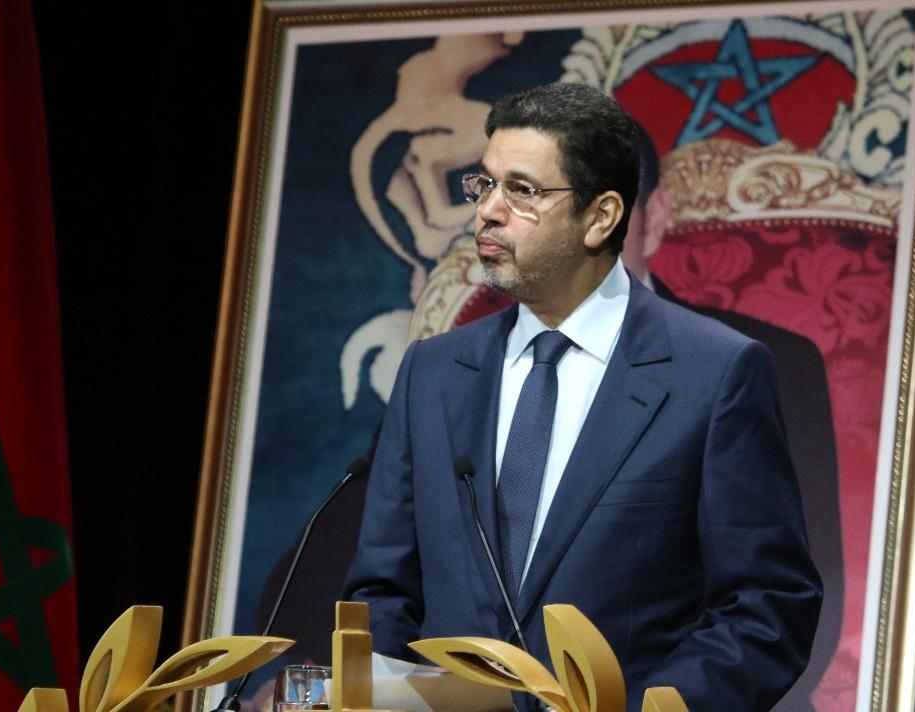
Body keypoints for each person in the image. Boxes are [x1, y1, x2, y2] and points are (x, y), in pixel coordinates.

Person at [343, 82, 822, 712]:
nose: (486, 211)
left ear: (601, 217)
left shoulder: (715, 373)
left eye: (523, 191)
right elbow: (383, 591)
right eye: (484, 185)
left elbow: (766, 609)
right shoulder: (433, 373)